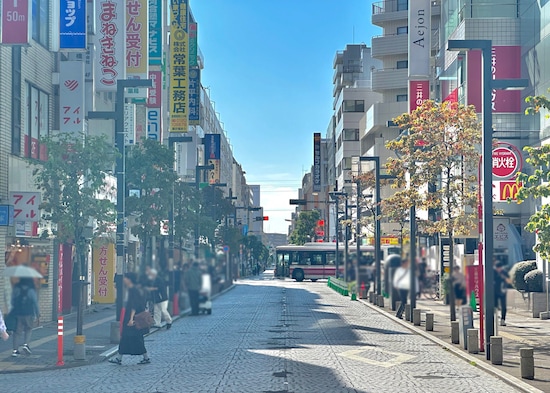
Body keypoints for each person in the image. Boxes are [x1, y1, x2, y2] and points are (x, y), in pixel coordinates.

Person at [109, 272, 151, 365]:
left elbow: (134, 305)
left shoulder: (133, 290)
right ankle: (119, 358)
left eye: (125, 278)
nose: (124, 280)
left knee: (134, 338)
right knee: (128, 338)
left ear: (129, 279)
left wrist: (131, 319)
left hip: (132, 319)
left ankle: (145, 357)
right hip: (133, 318)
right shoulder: (135, 289)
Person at [11, 277, 39, 357]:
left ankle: (15, 350)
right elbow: (35, 303)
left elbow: (13, 301)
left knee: (17, 332)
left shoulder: (17, 289)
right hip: (28, 313)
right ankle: (26, 345)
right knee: (29, 328)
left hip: (18, 313)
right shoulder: (31, 290)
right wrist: (37, 314)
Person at [494, 259, 511, 326]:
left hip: (503, 291)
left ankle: (503, 320)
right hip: (495, 292)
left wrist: (504, 277)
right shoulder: (493, 273)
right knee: (495, 306)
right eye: (498, 268)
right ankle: (495, 319)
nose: (499, 269)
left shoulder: (504, 272)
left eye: (500, 268)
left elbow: (509, 281)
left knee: (504, 306)